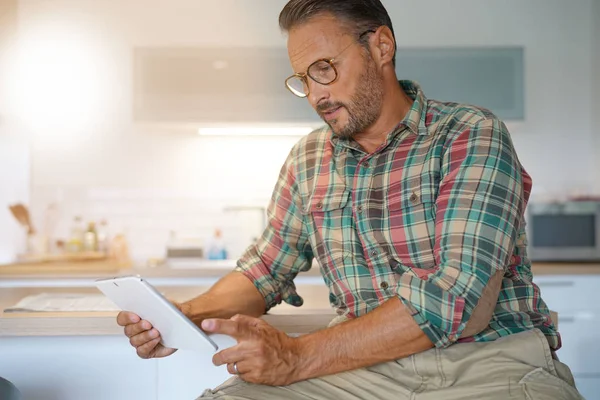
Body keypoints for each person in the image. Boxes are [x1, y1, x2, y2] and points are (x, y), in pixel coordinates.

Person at [118, 1, 583, 398]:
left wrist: (297, 358)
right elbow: (264, 271)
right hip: (362, 373)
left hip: (490, 364)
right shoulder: (308, 158)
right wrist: (180, 316)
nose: (315, 93)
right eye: (303, 78)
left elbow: (460, 302)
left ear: (381, 46)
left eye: (324, 68)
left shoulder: (470, 134)